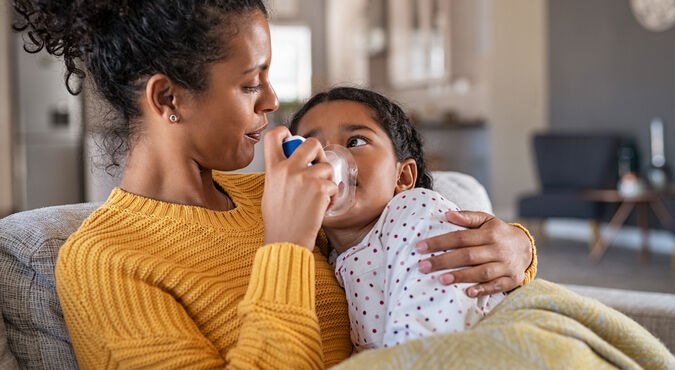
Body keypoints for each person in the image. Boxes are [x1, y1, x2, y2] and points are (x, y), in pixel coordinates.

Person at [11, 0, 536, 368]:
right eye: (249, 83)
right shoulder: (105, 260)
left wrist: (514, 248)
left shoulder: (284, 195)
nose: (271, 101)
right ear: (168, 98)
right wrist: (284, 244)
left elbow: (407, 251)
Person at [287, 87, 513, 351]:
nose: (330, 161)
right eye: (310, 149)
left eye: (356, 142)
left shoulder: (415, 212)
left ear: (403, 177)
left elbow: (430, 338)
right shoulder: (329, 258)